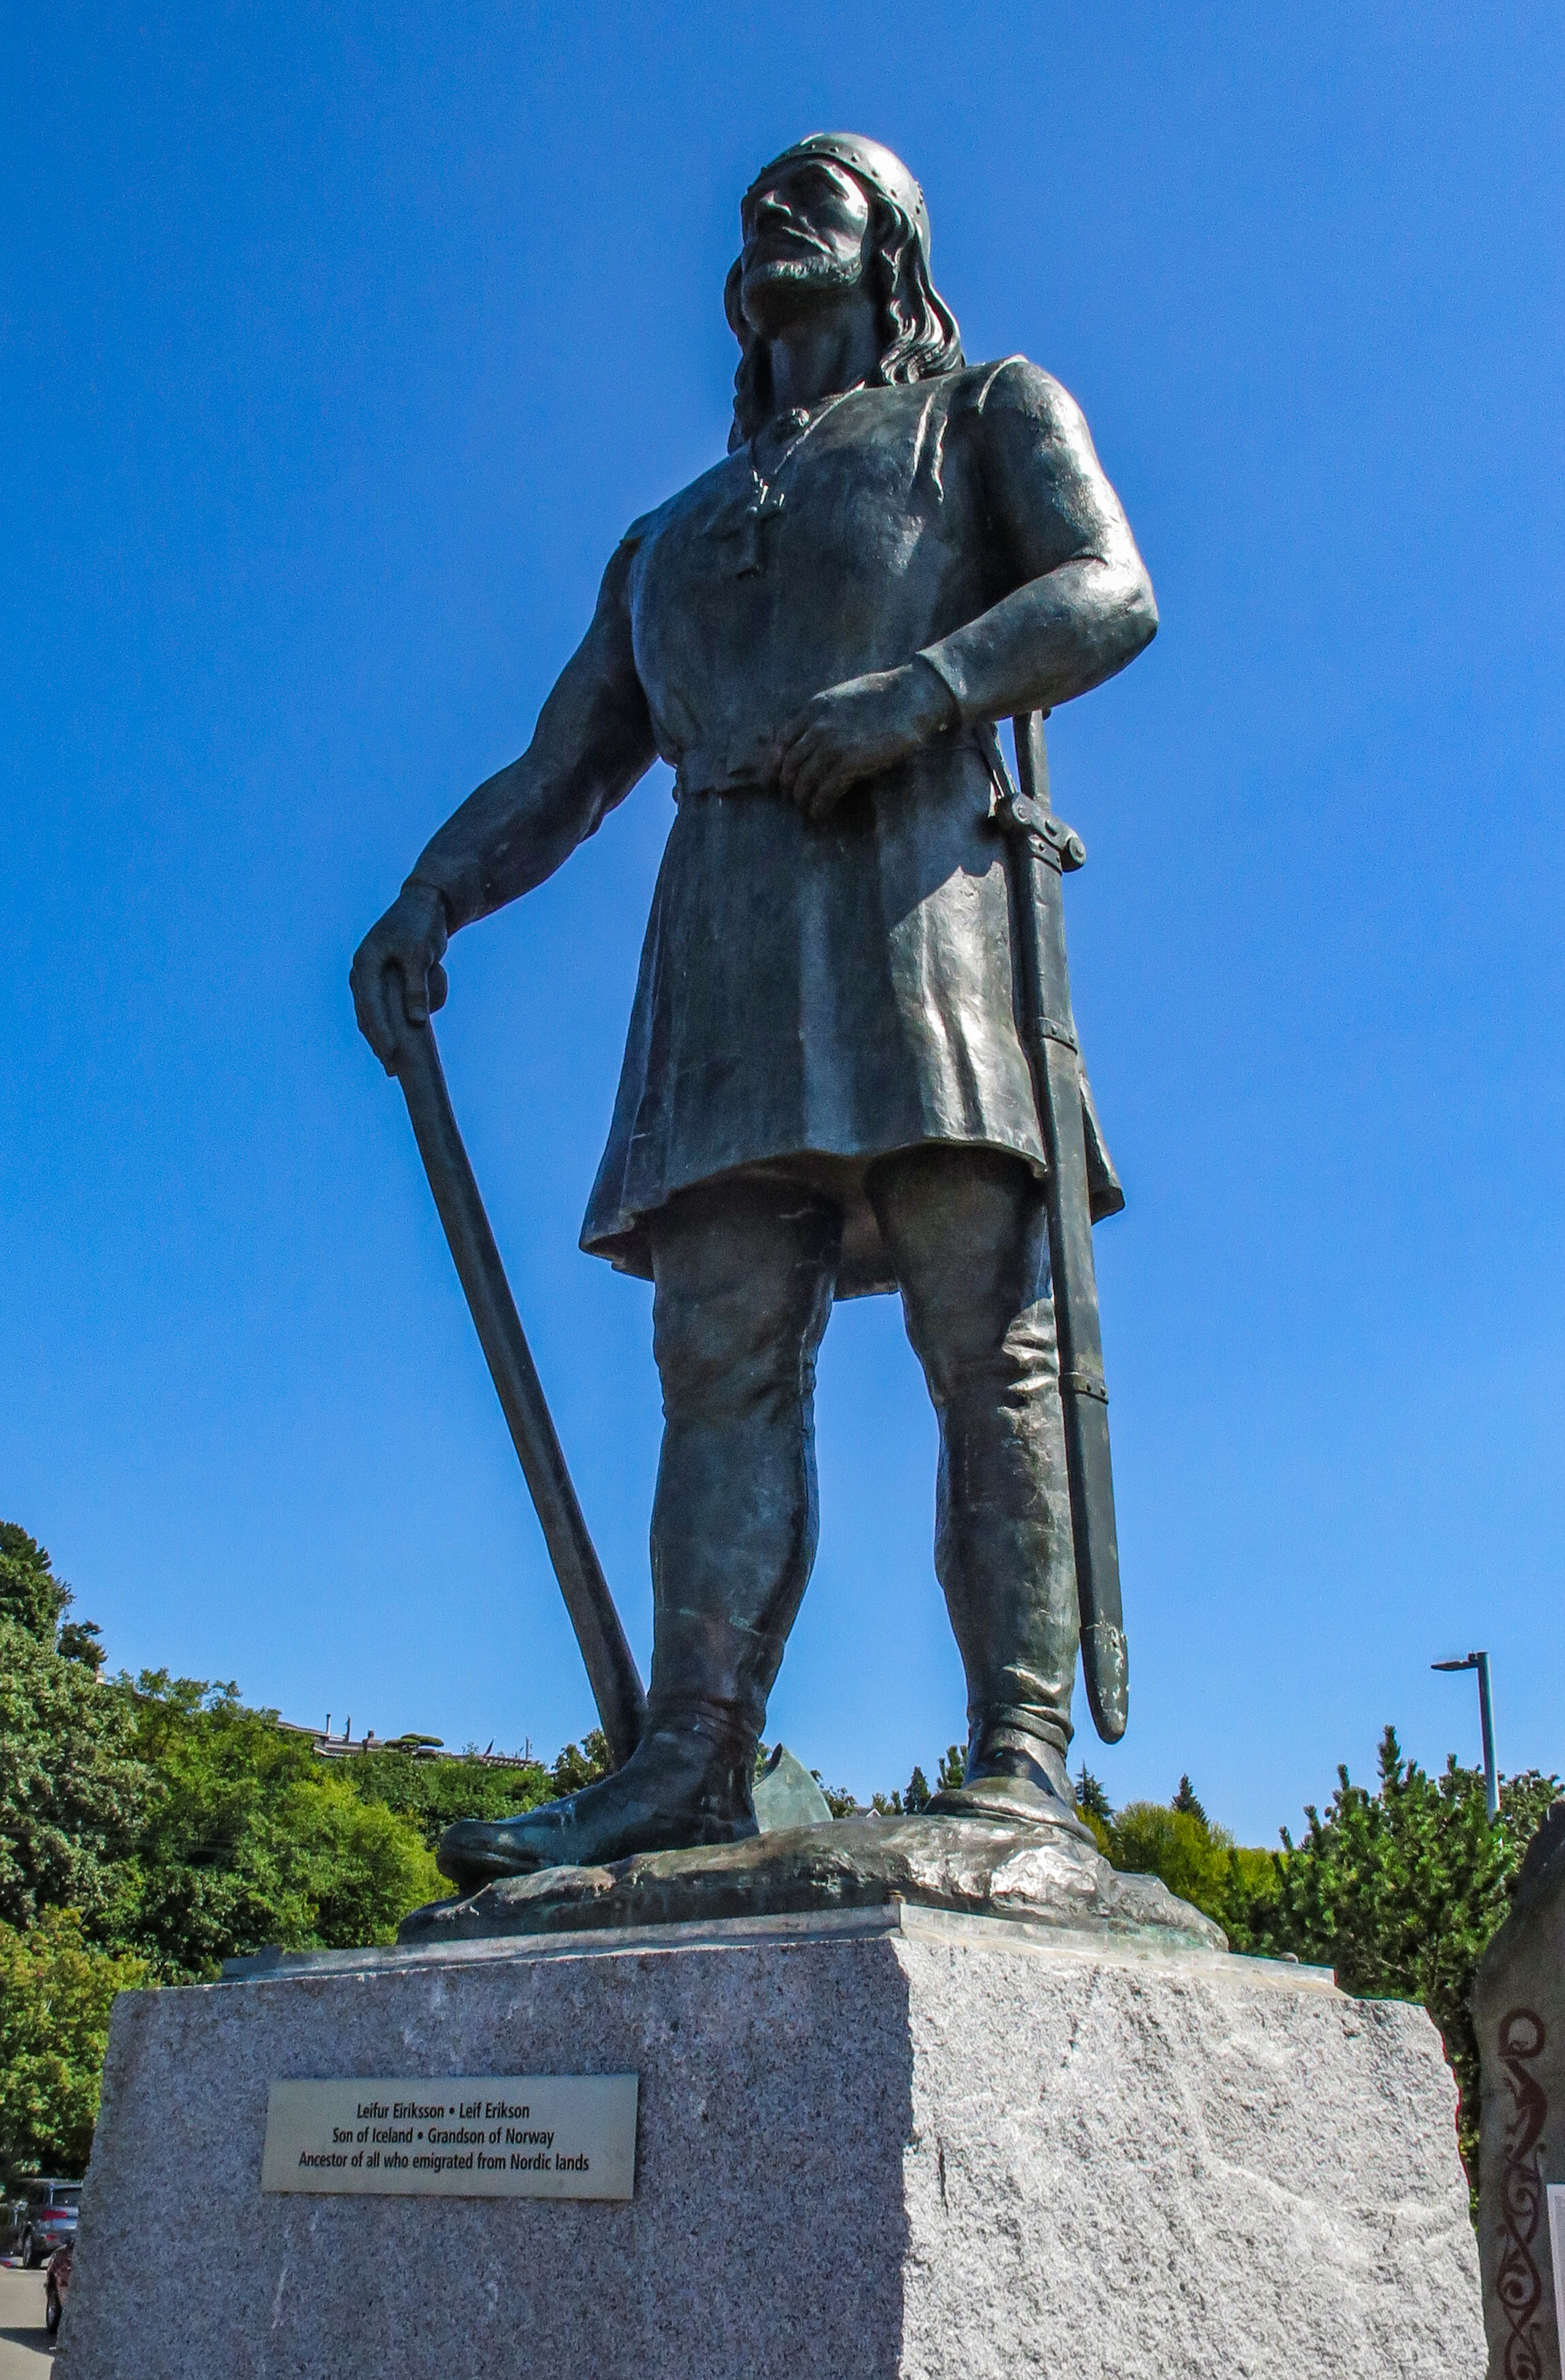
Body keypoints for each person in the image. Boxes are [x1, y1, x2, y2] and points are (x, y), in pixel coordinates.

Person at [350, 134, 1157, 1886]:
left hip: (926, 908)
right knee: (715, 1357)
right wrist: (432, 896)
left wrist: (924, 693)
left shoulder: (989, 411)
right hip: (722, 948)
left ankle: (1016, 1748)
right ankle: (689, 1758)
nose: (778, 216)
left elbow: (1110, 589)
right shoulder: (668, 536)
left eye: (823, 196)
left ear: (894, 254)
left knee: (986, 1338)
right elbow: (564, 767)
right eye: (759, 207)